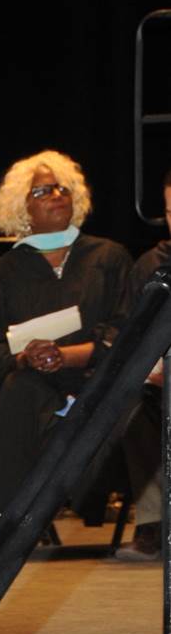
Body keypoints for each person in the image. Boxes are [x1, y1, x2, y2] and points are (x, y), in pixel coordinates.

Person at [0, 151, 132, 532]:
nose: (56, 195)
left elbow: (126, 328)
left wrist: (69, 356)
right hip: (32, 386)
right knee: (18, 388)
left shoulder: (108, 257)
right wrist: (25, 358)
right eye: (42, 191)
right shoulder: (2, 273)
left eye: (62, 188)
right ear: (22, 207)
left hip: (96, 380)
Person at [115, 167, 171, 561]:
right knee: (132, 405)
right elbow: (129, 337)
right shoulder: (151, 265)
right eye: (170, 209)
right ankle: (151, 523)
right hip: (160, 385)